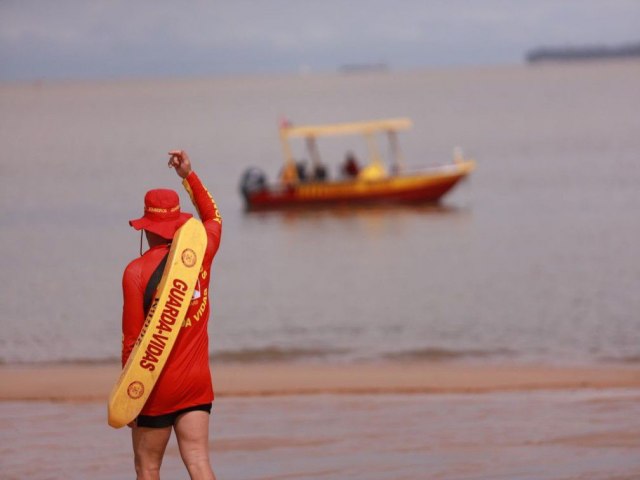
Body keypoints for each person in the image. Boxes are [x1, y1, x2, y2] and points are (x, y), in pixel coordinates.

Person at [121, 150, 222, 480]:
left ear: (146, 229)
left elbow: (132, 342)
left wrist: (130, 397)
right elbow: (213, 218)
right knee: (198, 460)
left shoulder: (136, 272)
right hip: (196, 383)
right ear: (177, 223)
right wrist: (188, 175)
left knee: (148, 467)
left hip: (156, 388)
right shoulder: (202, 252)